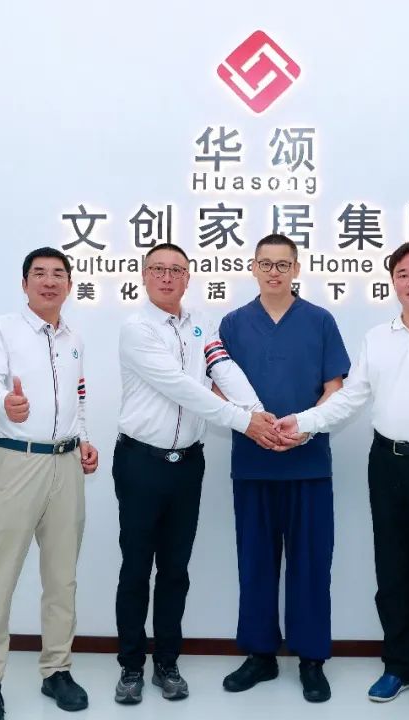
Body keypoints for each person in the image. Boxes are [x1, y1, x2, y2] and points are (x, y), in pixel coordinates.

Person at [276, 240, 409, 714]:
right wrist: (303, 421)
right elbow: (351, 398)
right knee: (391, 572)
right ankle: (398, 665)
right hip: (385, 463)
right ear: (393, 282)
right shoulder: (377, 337)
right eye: (403, 274)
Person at [113, 242, 280, 705]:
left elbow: (223, 368)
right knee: (135, 569)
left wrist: (258, 412)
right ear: (144, 275)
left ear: (187, 278)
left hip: (188, 465)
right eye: (158, 269)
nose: (167, 277)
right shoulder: (136, 329)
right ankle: (130, 666)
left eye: (176, 270)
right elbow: (182, 388)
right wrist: (245, 422)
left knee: (175, 570)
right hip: (140, 463)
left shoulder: (202, 323)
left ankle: (167, 664)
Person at [217, 234, 350, 703]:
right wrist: (252, 427)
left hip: (308, 465)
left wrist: (306, 429)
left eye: (282, 264)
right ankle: (260, 654)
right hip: (253, 464)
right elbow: (217, 389)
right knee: (255, 563)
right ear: (253, 268)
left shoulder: (319, 321)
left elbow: (335, 388)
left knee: (311, 565)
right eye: (266, 264)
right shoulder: (233, 324)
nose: (274, 272)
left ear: (296, 269)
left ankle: (311, 658)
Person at [0, 247, 99, 720]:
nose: (49, 281)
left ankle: (57, 670)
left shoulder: (74, 337)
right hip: (17, 460)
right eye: (39, 274)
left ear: (69, 285)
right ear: (24, 284)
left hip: (67, 463)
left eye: (58, 274)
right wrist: (6, 401)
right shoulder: (1, 329)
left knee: (62, 576)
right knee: (1, 574)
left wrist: (84, 438)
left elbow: (78, 398)